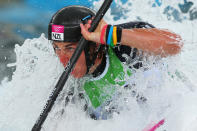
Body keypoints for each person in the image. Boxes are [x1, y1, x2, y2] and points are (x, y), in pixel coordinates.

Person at [48, 5, 183, 120]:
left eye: (70, 48)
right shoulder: (71, 89)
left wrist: (114, 34)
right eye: (57, 49)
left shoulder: (125, 44)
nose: (63, 60)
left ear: (94, 45)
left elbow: (175, 44)